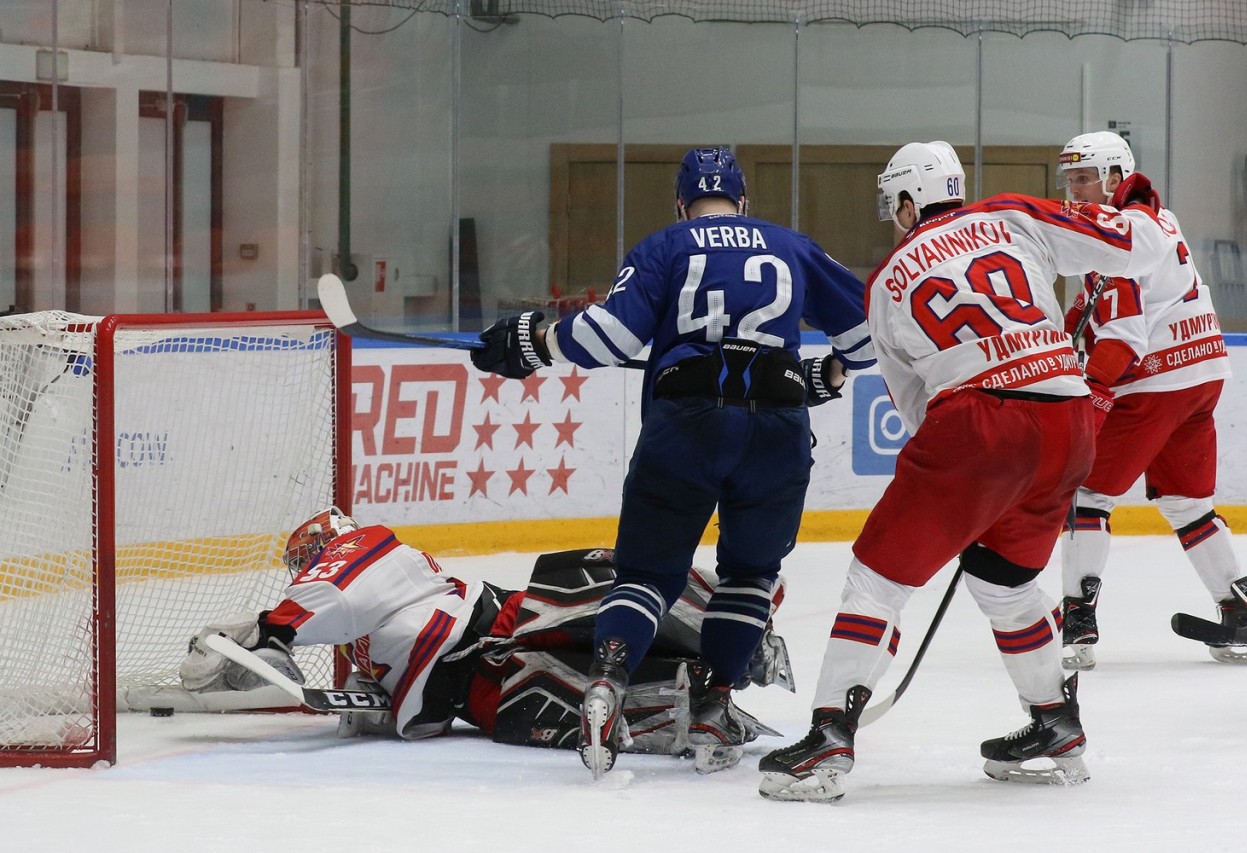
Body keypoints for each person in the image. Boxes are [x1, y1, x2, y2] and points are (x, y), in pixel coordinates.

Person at [756, 140, 1180, 803]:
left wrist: (969, 485)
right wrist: (1141, 207)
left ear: (905, 202)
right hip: (1068, 421)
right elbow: (1137, 248)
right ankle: (1055, 721)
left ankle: (830, 732)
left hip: (978, 423)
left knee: (877, 577)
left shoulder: (888, 278)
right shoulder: (1012, 214)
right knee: (1004, 579)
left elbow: (916, 407)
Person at [468, 146, 875, 778]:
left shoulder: (667, 246)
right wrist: (823, 373)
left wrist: (533, 340)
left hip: (683, 428)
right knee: (747, 575)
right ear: (744, 201)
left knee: (648, 575)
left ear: (680, 203)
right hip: (775, 432)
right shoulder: (790, 245)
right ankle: (714, 705)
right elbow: (870, 338)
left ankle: (605, 684)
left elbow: (611, 337)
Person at [179, 507, 793, 763]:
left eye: (305, 561)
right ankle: (704, 710)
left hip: (496, 625)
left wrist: (273, 630)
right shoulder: (352, 632)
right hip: (480, 694)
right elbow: (417, 720)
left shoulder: (360, 550)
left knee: (606, 599)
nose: (302, 573)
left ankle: (732, 617)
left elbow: (342, 589)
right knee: (588, 703)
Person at [1054, 131, 1247, 669]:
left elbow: (1126, 334)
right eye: (1070, 179)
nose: (1075, 190)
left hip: (1156, 381)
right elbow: (1129, 294)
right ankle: (1240, 615)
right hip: (1202, 372)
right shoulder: (1154, 217)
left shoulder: (1115, 234)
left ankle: (1078, 622)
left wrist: (1094, 393)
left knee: (1086, 497)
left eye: (1085, 178)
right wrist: (1082, 314)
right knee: (1188, 504)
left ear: (1114, 177)